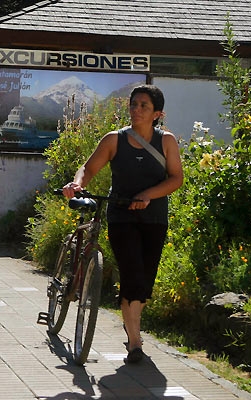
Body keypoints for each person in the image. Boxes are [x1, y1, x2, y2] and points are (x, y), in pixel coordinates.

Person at [61, 85, 183, 364]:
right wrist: (77, 184)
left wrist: (147, 196)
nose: (136, 110)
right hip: (121, 216)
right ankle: (136, 343)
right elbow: (89, 168)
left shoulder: (167, 142)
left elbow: (176, 178)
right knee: (132, 274)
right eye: (134, 104)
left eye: (144, 106)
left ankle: (133, 333)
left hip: (154, 219)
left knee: (144, 281)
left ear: (157, 114)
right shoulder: (114, 140)